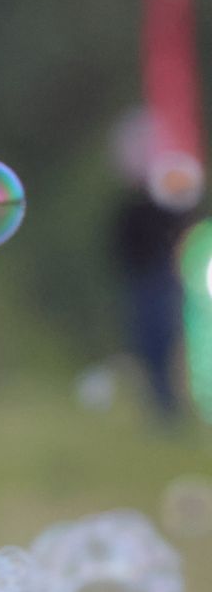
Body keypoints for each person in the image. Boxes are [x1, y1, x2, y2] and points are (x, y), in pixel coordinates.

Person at [109, 110, 193, 423]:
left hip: (159, 281)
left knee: (167, 343)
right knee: (152, 347)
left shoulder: (166, 204)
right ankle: (163, 407)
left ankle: (170, 406)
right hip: (144, 282)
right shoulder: (132, 206)